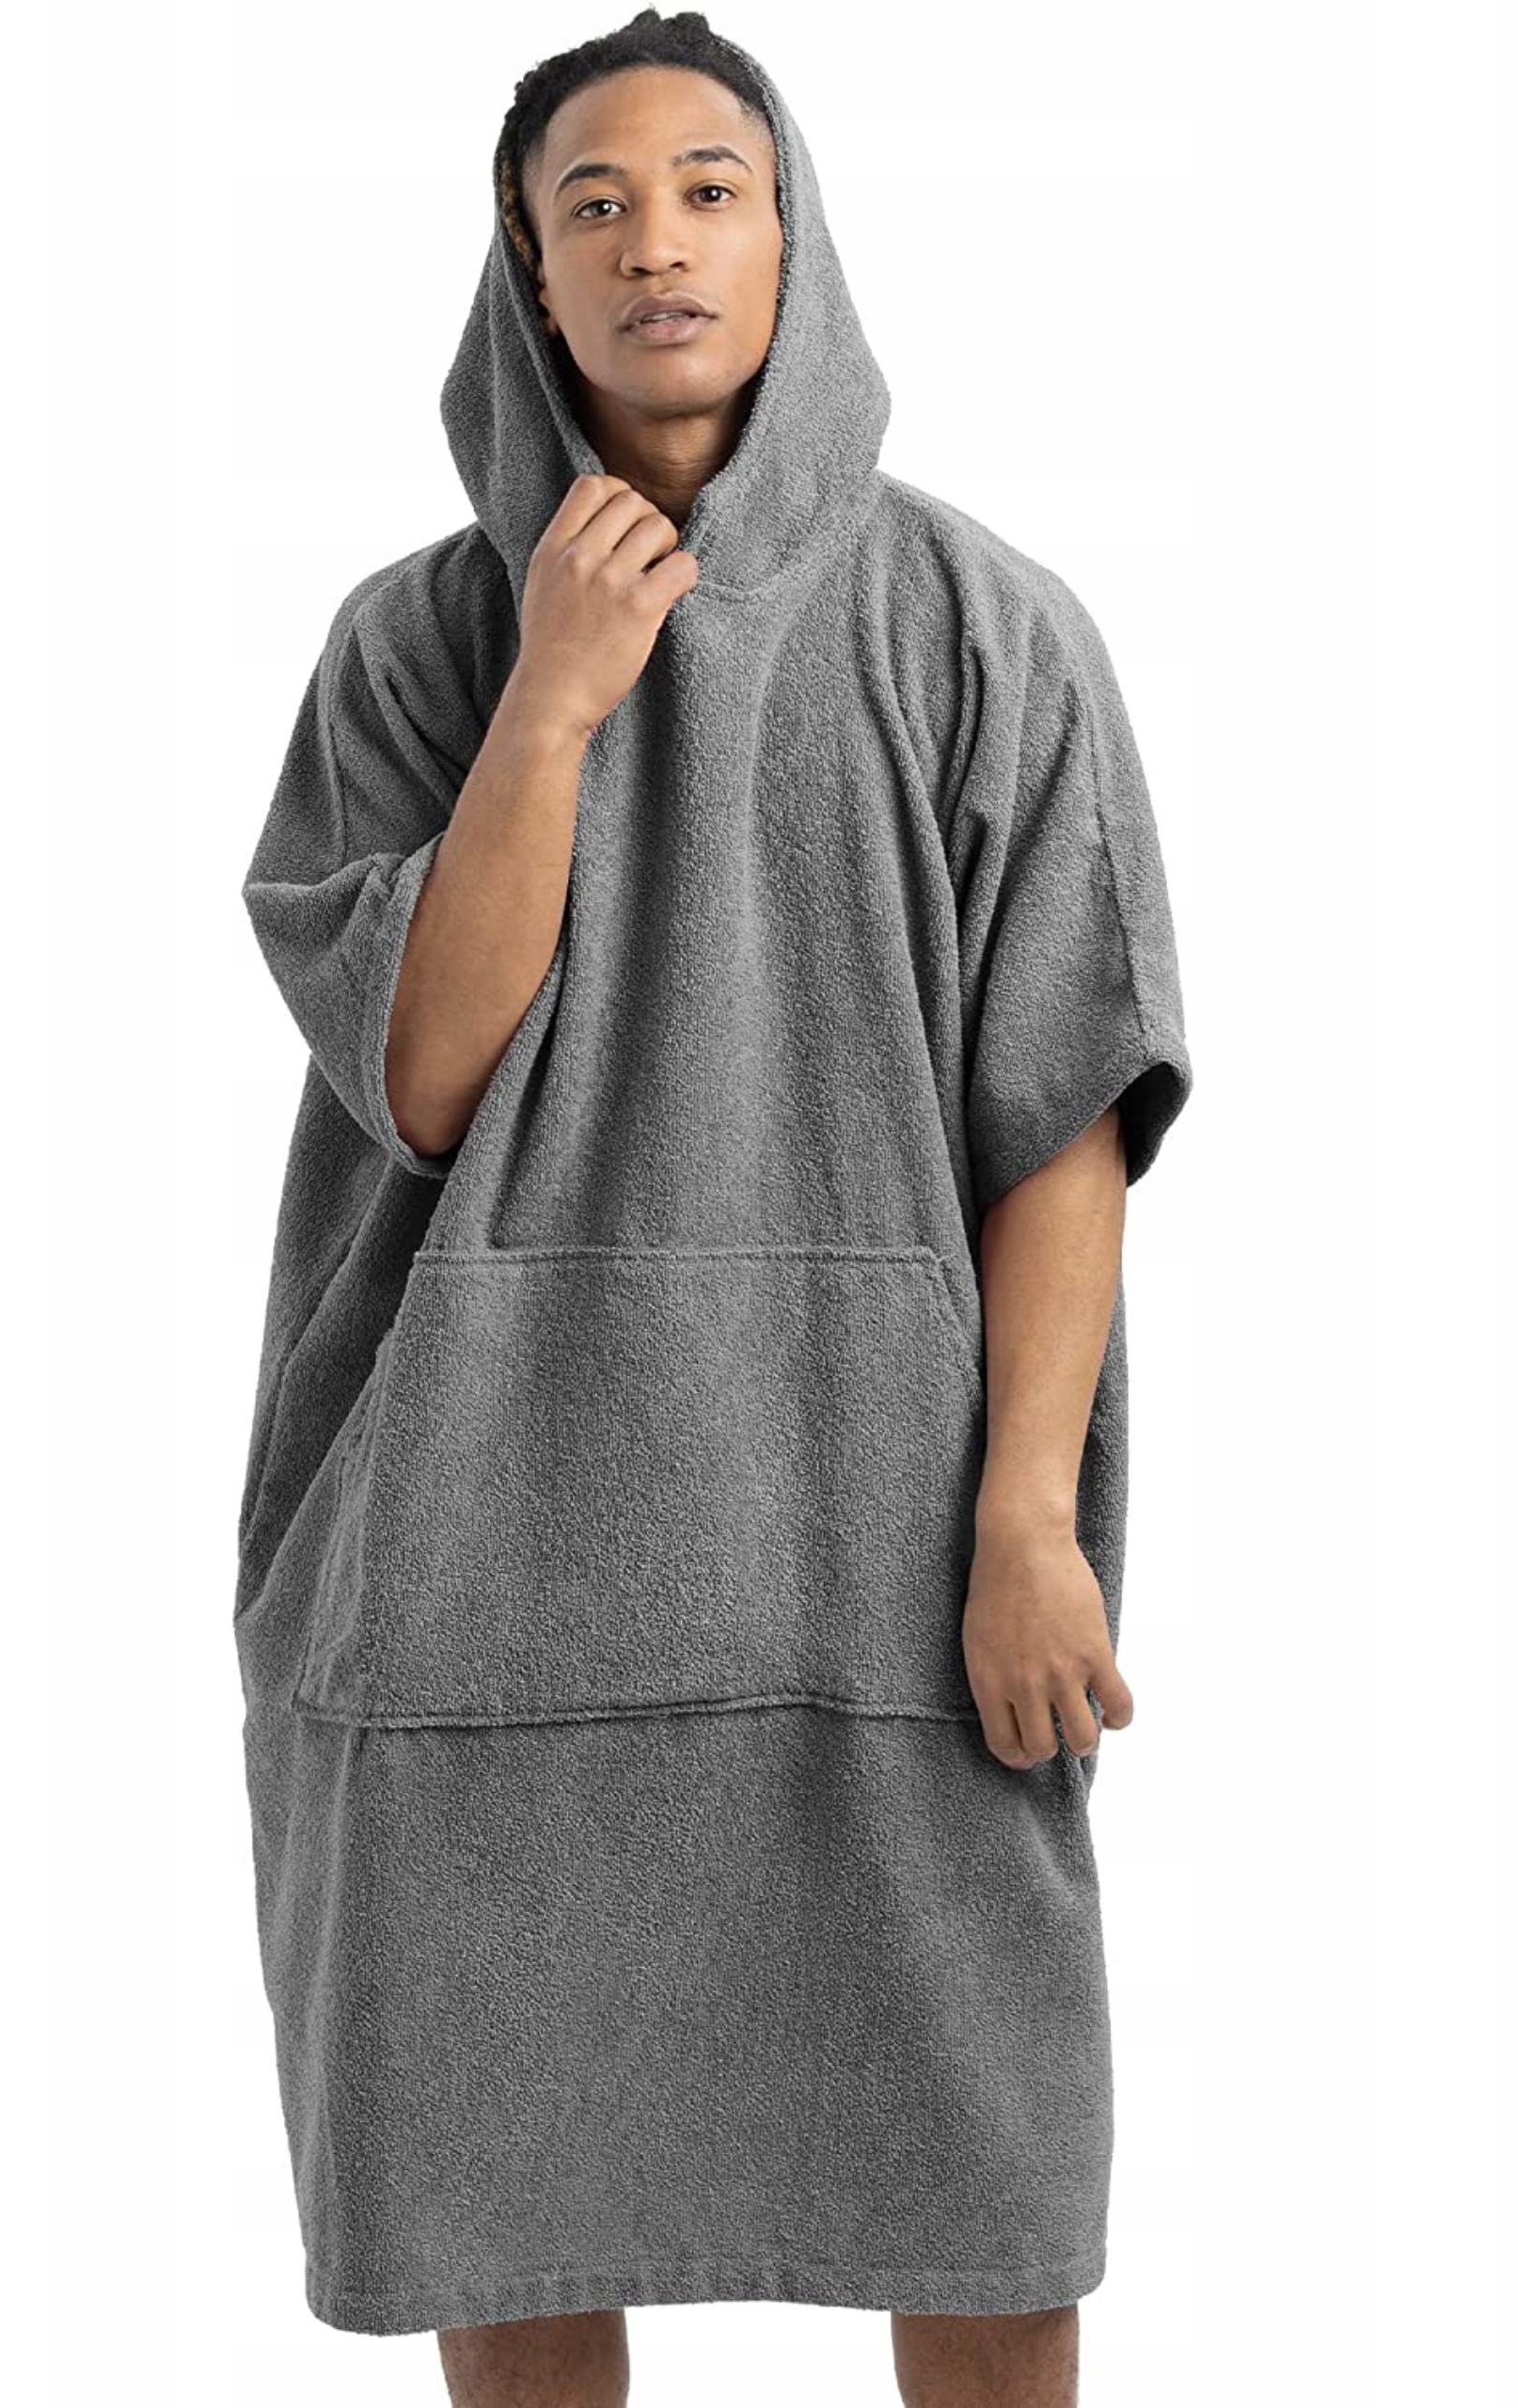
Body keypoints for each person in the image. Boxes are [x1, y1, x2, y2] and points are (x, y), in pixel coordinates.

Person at [231, 13, 1195, 2404]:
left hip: (880, 1545)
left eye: (706, 187)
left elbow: (1055, 1122)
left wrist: (1024, 1517)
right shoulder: (415, 648)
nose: (653, 239)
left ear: (791, 238)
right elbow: (423, 1071)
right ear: (526, 271)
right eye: (593, 203)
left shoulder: (978, 628)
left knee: (981, 2183)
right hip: (470, 1551)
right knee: (503, 2179)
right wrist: (557, 690)